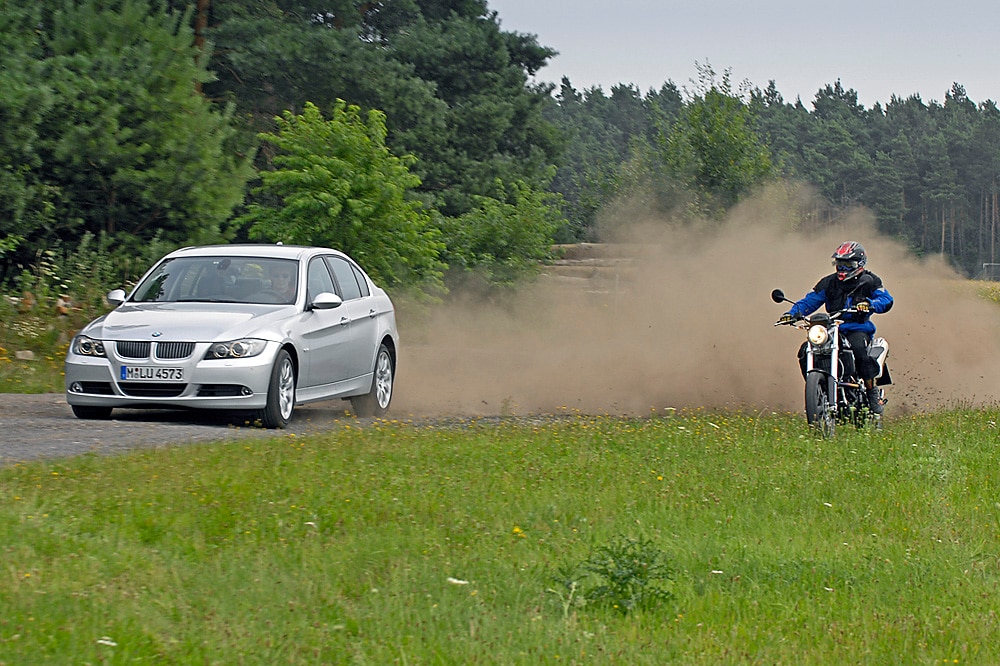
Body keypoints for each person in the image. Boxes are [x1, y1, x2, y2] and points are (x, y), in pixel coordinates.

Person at [778, 241, 893, 414]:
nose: (842, 269)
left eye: (848, 264)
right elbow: (809, 301)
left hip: (857, 328)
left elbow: (885, 299)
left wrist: (870, 304)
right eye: (839, 264)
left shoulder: (870, 281)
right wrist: (792, 313)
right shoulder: (828, 283)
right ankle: (818, 391)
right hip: (831, 328)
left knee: (859, 350)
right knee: (805, 350)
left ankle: (871, 392)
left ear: (859, 264)